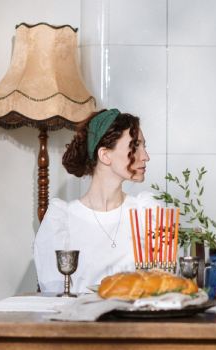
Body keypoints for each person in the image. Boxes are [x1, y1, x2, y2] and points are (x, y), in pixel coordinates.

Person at [33, 109, 159, 293]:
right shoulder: (62, 220)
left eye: (144, 147)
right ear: (105, 155)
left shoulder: (146, 213)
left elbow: (162, 284)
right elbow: (55, 296)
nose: (145, 156)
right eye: (135, 146)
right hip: (81, 321)